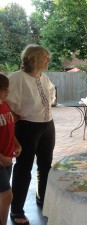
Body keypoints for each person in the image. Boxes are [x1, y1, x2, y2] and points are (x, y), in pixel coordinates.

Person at [6, 44, 56, 224]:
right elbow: (3, 101)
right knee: (23, 168)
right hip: (27, 127)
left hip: (47, 125)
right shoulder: (16, 78)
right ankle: (17, 209)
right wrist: (13, 114)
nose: (48, 61)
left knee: (45, 165)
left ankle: (43, 198)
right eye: (45, 57)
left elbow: (51, 96)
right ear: (34, 59)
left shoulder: (44, 77)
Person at [0, 73, 22, 225]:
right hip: (2, 160)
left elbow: (9, 128)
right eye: (4, 89)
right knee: (7, 195)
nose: (8, 91)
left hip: (8, 158)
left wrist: (16, 143)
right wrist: (1, 158)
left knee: (2, 195)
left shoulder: (4, 104)